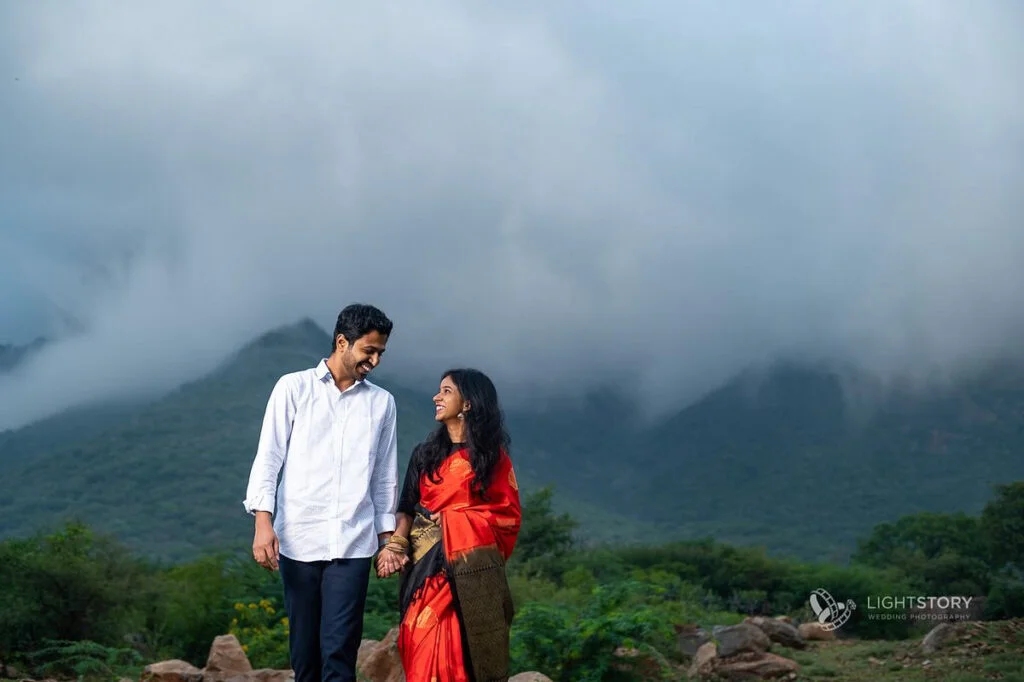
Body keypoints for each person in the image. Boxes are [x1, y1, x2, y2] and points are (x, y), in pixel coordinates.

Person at [243, 303, 399, 682]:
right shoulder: (292, 388)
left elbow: (384, 477)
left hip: (354, 543)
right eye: (369, 351)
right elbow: (269, 459)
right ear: (342, 342)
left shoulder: (382, 403)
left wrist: (388, 540)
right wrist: (263, 523)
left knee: (339, 652)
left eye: (380, 353)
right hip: (299, 539)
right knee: (305, 656)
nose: (375, 361)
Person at [376, 368, 522, 682]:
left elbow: (507, 519)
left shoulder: (492, 460)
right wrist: (395, 546)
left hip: (468, 578)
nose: (436, 398)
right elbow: (406, 509)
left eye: (446, 391)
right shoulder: (424, 456)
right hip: (423, 574)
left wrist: (455, 518)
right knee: (418, 639)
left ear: (467, 404)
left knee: (462, 657)